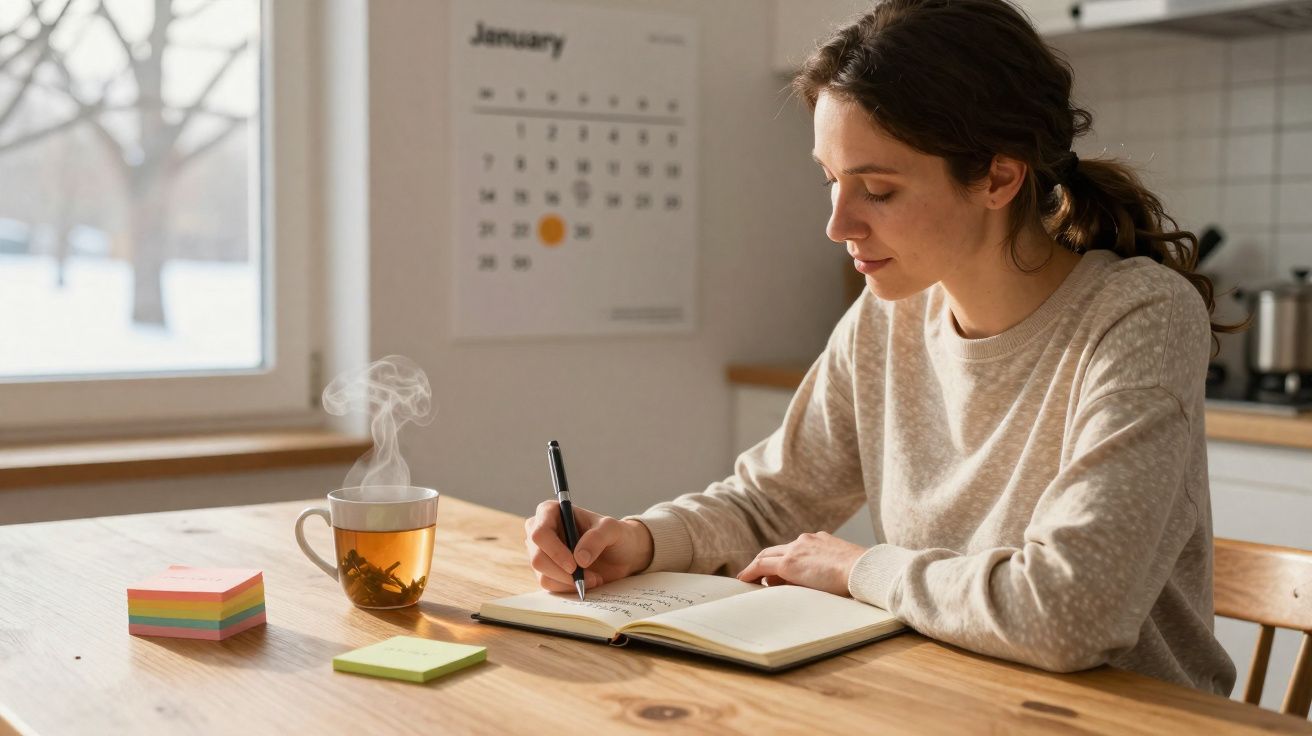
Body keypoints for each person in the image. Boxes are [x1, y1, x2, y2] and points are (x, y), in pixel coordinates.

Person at [523, 0, 1240, 695]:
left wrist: (859, 569)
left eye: (877, 189)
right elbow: (770, 502)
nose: (837, 224)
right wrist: (639, 541)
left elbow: (1068, 613)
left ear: (998, 175)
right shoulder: (890, 315)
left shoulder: (1141, 316)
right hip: (949, 696)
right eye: (832, 181)